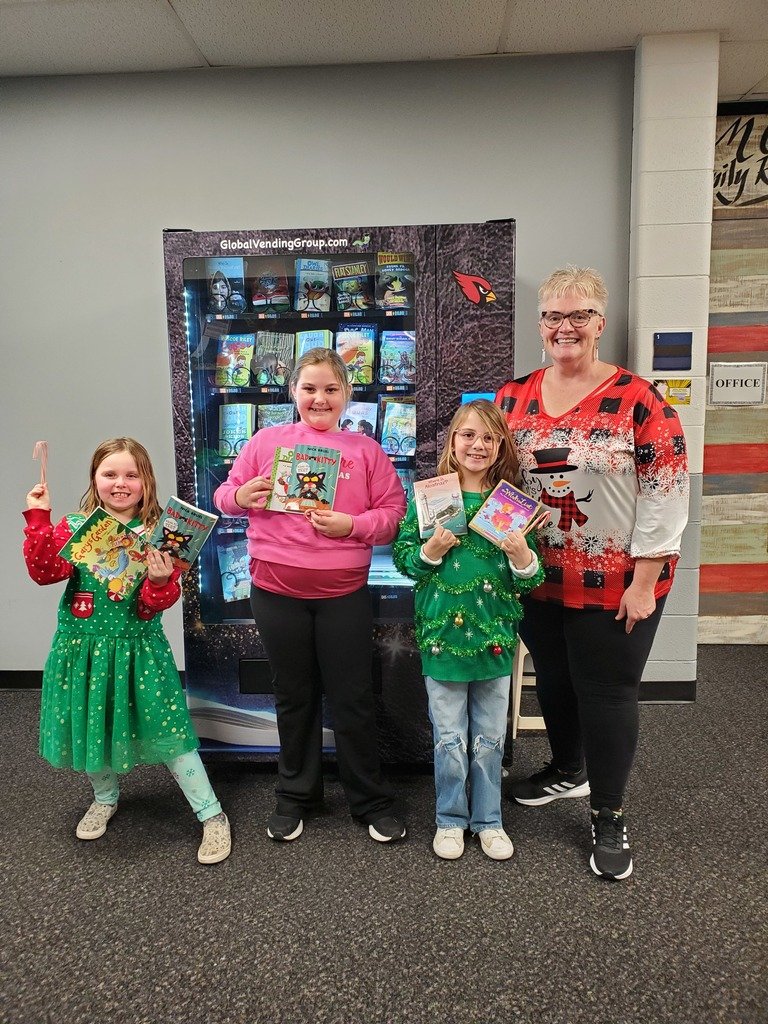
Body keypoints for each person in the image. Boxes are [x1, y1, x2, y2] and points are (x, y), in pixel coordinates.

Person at [496, 266, 689, 881]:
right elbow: (494, 480)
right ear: (540, 325)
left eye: (578, 315)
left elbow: (665, 491)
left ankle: (609, 812)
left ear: (600, 323)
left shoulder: (639, 399)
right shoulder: (512, 397)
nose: (565, 327)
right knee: (553, 677)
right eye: (554, 315)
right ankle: (567, 769)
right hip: (535, 573)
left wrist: (644, 580)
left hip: (616, 579)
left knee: (606, 692)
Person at [213, 348, 407, 844]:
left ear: (346, 395)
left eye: (330, 389)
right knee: (293, 696)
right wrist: (241, 496)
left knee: (352, 697)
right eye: (309, 388)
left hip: (344, 593)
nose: (319, 398)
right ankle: (296, 794)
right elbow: (224, 496)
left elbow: (393, 513)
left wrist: (353, 525)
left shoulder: (366, 451)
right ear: (293, 392)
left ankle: (370, 799)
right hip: (276, 590)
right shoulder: (265, 442)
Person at [22, 438, 231, 864]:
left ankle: (212, 816)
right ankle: (105, 797)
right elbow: (44, 572)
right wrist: (39, 515)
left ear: (146, 480)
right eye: (110, 474)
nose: (121, 483)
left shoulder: (164, 533)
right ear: (95, 479)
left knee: (171, 735)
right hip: (83, 650)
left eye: (131, 474)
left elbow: (158, 602)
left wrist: (157, 582)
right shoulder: (76, 525)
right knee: (90, 725)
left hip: (140, 651)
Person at [393, 400, 544, 861]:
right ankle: (450, 819)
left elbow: (533, 578)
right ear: (452, 441)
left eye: (488, 438)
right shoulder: (430, 497)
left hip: (494, 640)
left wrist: (521, 556)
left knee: (490, 737)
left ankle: (489, 819)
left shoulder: (510, 504)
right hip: (442, 639)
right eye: (468, 435)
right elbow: (404, 559)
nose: (477, 445)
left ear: (499, 447)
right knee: (449, 737)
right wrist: (431, 550)